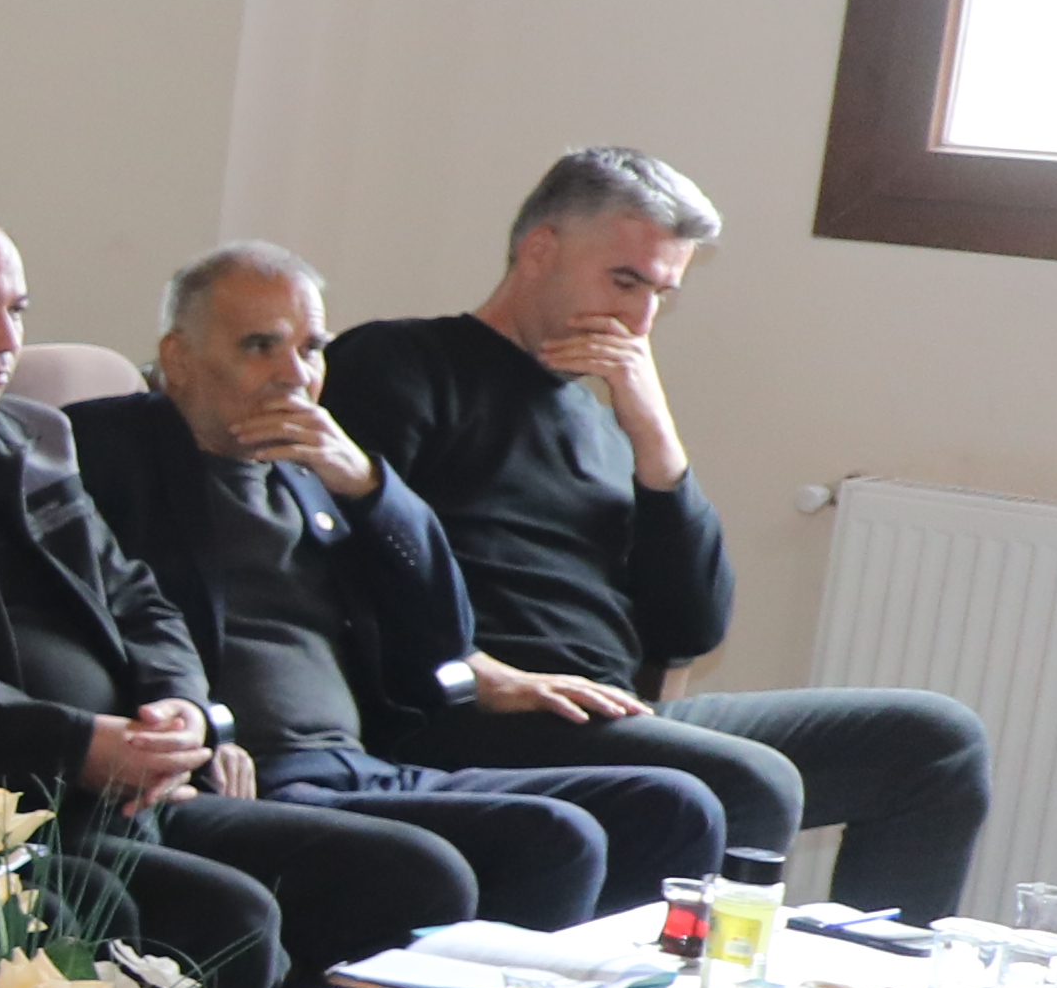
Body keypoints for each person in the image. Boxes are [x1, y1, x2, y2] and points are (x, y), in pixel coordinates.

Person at [330, 150, 997, 920]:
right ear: (538, 250)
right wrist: (477, 671)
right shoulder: (399, 363)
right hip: (468, 712)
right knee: (752, 781)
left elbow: (691, 627)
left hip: (604, 715)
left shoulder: (604, 425)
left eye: (661, 293)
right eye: (625, 281)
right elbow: (332, 556)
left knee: (933, 744)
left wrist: (654, 436)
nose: (641, 321)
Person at [0, 201, 372, 988]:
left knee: (408, 875)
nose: (5, 339)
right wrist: (77, 747)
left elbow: (135, 594)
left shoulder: (30, 433)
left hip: (129, 785)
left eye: (16, 311)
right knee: (229, 921)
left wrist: (185, 709)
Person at [68, 247, 735, 932]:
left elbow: (441, 638)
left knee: (676, 808)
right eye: (260, 347)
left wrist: (368, 487)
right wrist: (195, 732)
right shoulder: (103, 452)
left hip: (366, 762)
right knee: (553, 836)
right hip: (264, 774)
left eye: (312, 348)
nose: (295, 375)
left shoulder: (313, 473)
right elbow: (84, 619)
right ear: (177, 358)